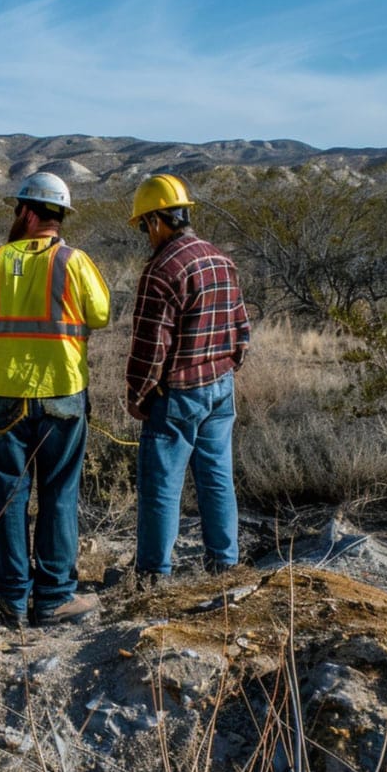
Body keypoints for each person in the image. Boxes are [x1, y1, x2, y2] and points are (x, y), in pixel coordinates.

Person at [0, 172, 111, 628]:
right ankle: (54, 598)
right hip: (62, 391)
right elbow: (101, 313)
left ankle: (13, 598)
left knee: (9, 498)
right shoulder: (74, 262)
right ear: (60, 215)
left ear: (26, 212)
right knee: (59, 495)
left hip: (5, 393)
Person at [125, 174, 251, 584]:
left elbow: (151, 347)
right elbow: (242, 330)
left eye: (144, 226)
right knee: (217, 479)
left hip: (177, 394)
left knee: (161, 485)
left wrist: (137, 394)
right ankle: (225, 566)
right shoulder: (221, 259)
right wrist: (224, 369)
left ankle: (153, 576)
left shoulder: (162, 270)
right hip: (221, 387)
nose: (146, 235)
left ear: (156, 220)